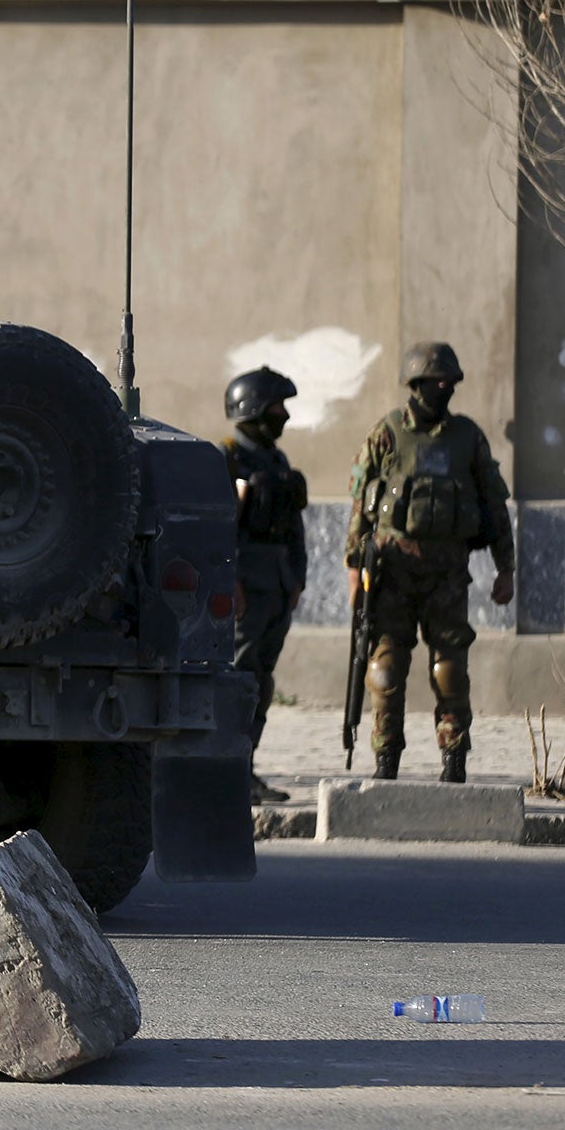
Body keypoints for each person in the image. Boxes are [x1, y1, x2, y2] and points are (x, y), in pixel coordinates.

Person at [344, 341, 514, 783]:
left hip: (448, 574)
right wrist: (352, 574)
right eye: (440, 381)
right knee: (385, 669)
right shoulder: (386, 433)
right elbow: (361, 506)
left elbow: (495, 505)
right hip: (392, 571)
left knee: (450, 668)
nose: (447, 388)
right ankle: (386, 760)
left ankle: (454, 758)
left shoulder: (467, 438)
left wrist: (506, 568)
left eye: (451, 382)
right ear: (417, 384)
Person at [221, 367, 308, 803]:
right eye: (277, 407)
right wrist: (230, 579)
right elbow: (221, 528)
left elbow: (295, 527)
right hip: (246, 583)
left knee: (262, 679)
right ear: (253, 408)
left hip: (276, 581)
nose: (284, 415)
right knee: (241, 677)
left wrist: (299, 577)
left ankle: (247, 767)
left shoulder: (277, 462)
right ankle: (229, 771)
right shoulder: (229, 457)